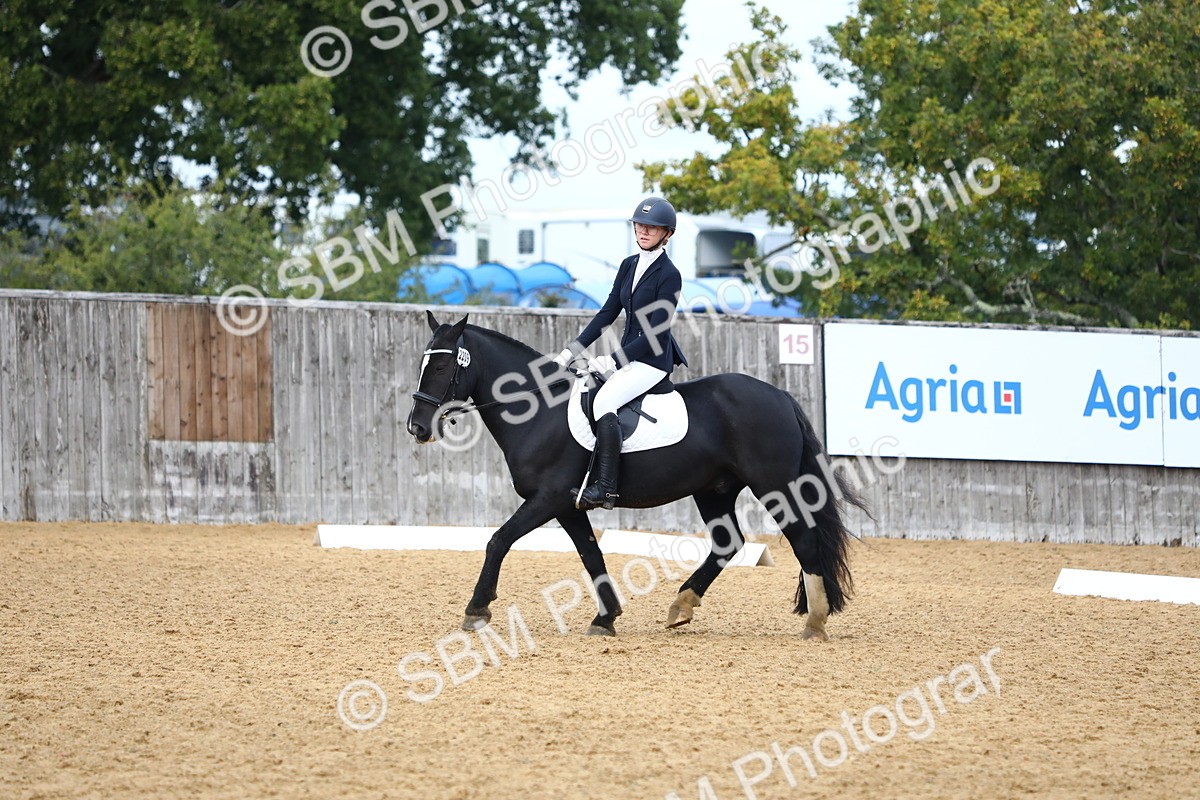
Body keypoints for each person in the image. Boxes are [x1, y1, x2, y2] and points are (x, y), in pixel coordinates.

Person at [552, 196, 689, 510]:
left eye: (652, 228)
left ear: (667, 234)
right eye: (640, 225)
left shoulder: (670, 274)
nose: (644, 231)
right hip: (630, 356)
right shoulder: (628, 265)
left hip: (652, 361)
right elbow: (607, 313)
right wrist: (570, 351)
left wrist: (614, 360)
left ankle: (605, 488)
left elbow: (656, 331)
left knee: (604, 401)